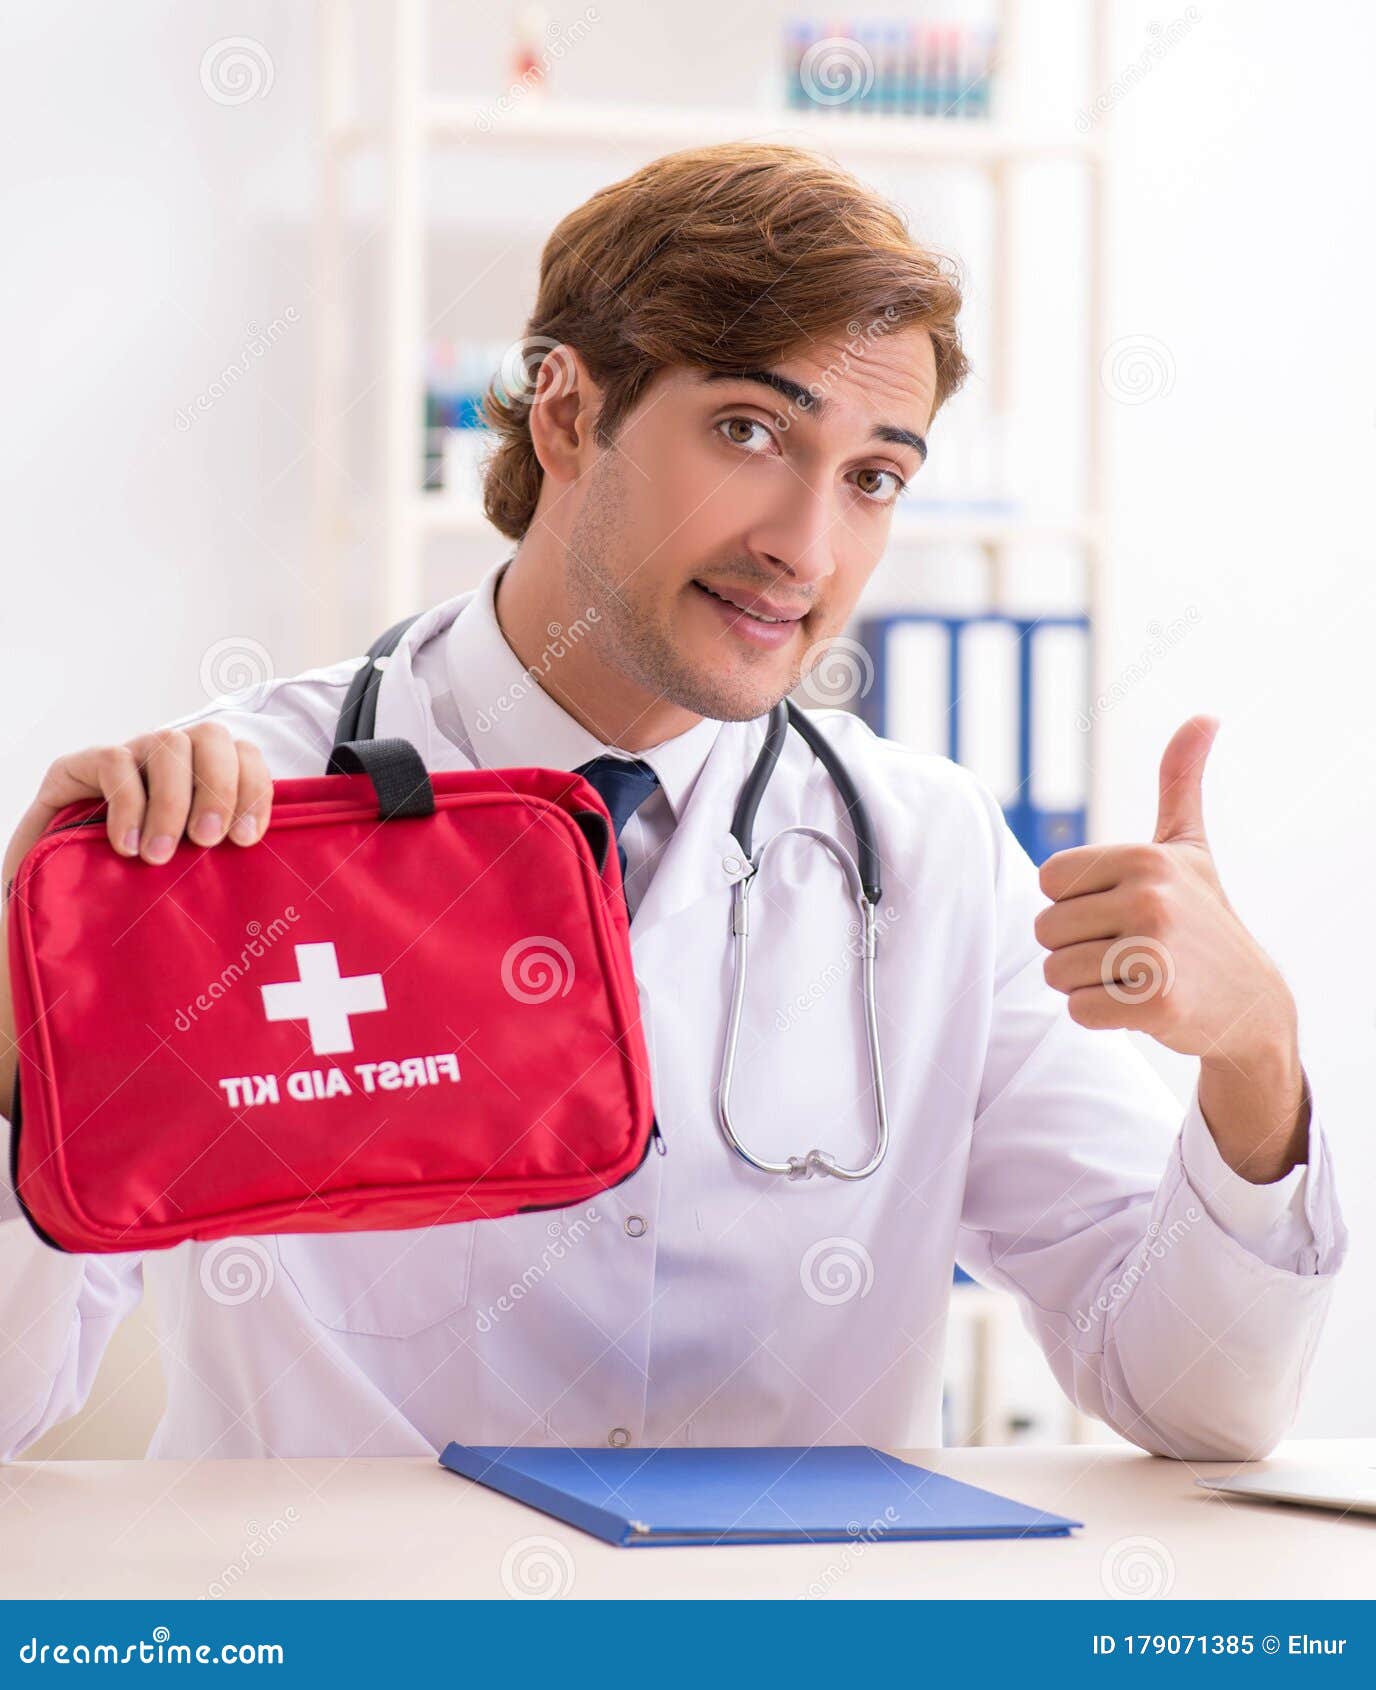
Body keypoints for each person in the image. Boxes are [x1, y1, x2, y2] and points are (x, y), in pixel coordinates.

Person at [0, 141, 1345, 1463]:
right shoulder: (238, 821)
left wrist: (1252, 1055)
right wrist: (25, 1022)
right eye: (751, 432)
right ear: (569, 413)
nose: (807, 548)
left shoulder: (926, 854)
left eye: (874, 476)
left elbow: (1196, 1402)